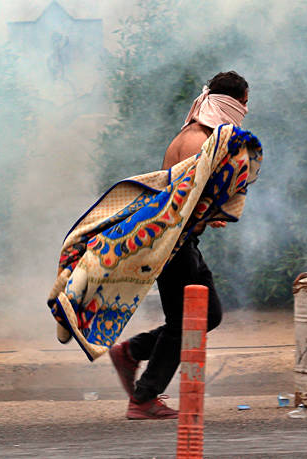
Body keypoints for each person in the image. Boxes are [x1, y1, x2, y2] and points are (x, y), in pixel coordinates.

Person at [109, 71, 250, 419]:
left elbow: (185, 196)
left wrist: (209, 214)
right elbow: (184, 202)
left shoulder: (190, 135)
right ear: (231, 104)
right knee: (185, 322)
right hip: (174, 243)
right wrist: (210, 214)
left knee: (207, 315)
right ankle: (143, 397)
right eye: (244, 104)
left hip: (178, 241)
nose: (246, 112)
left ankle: (132, 352)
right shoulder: (199, 141)